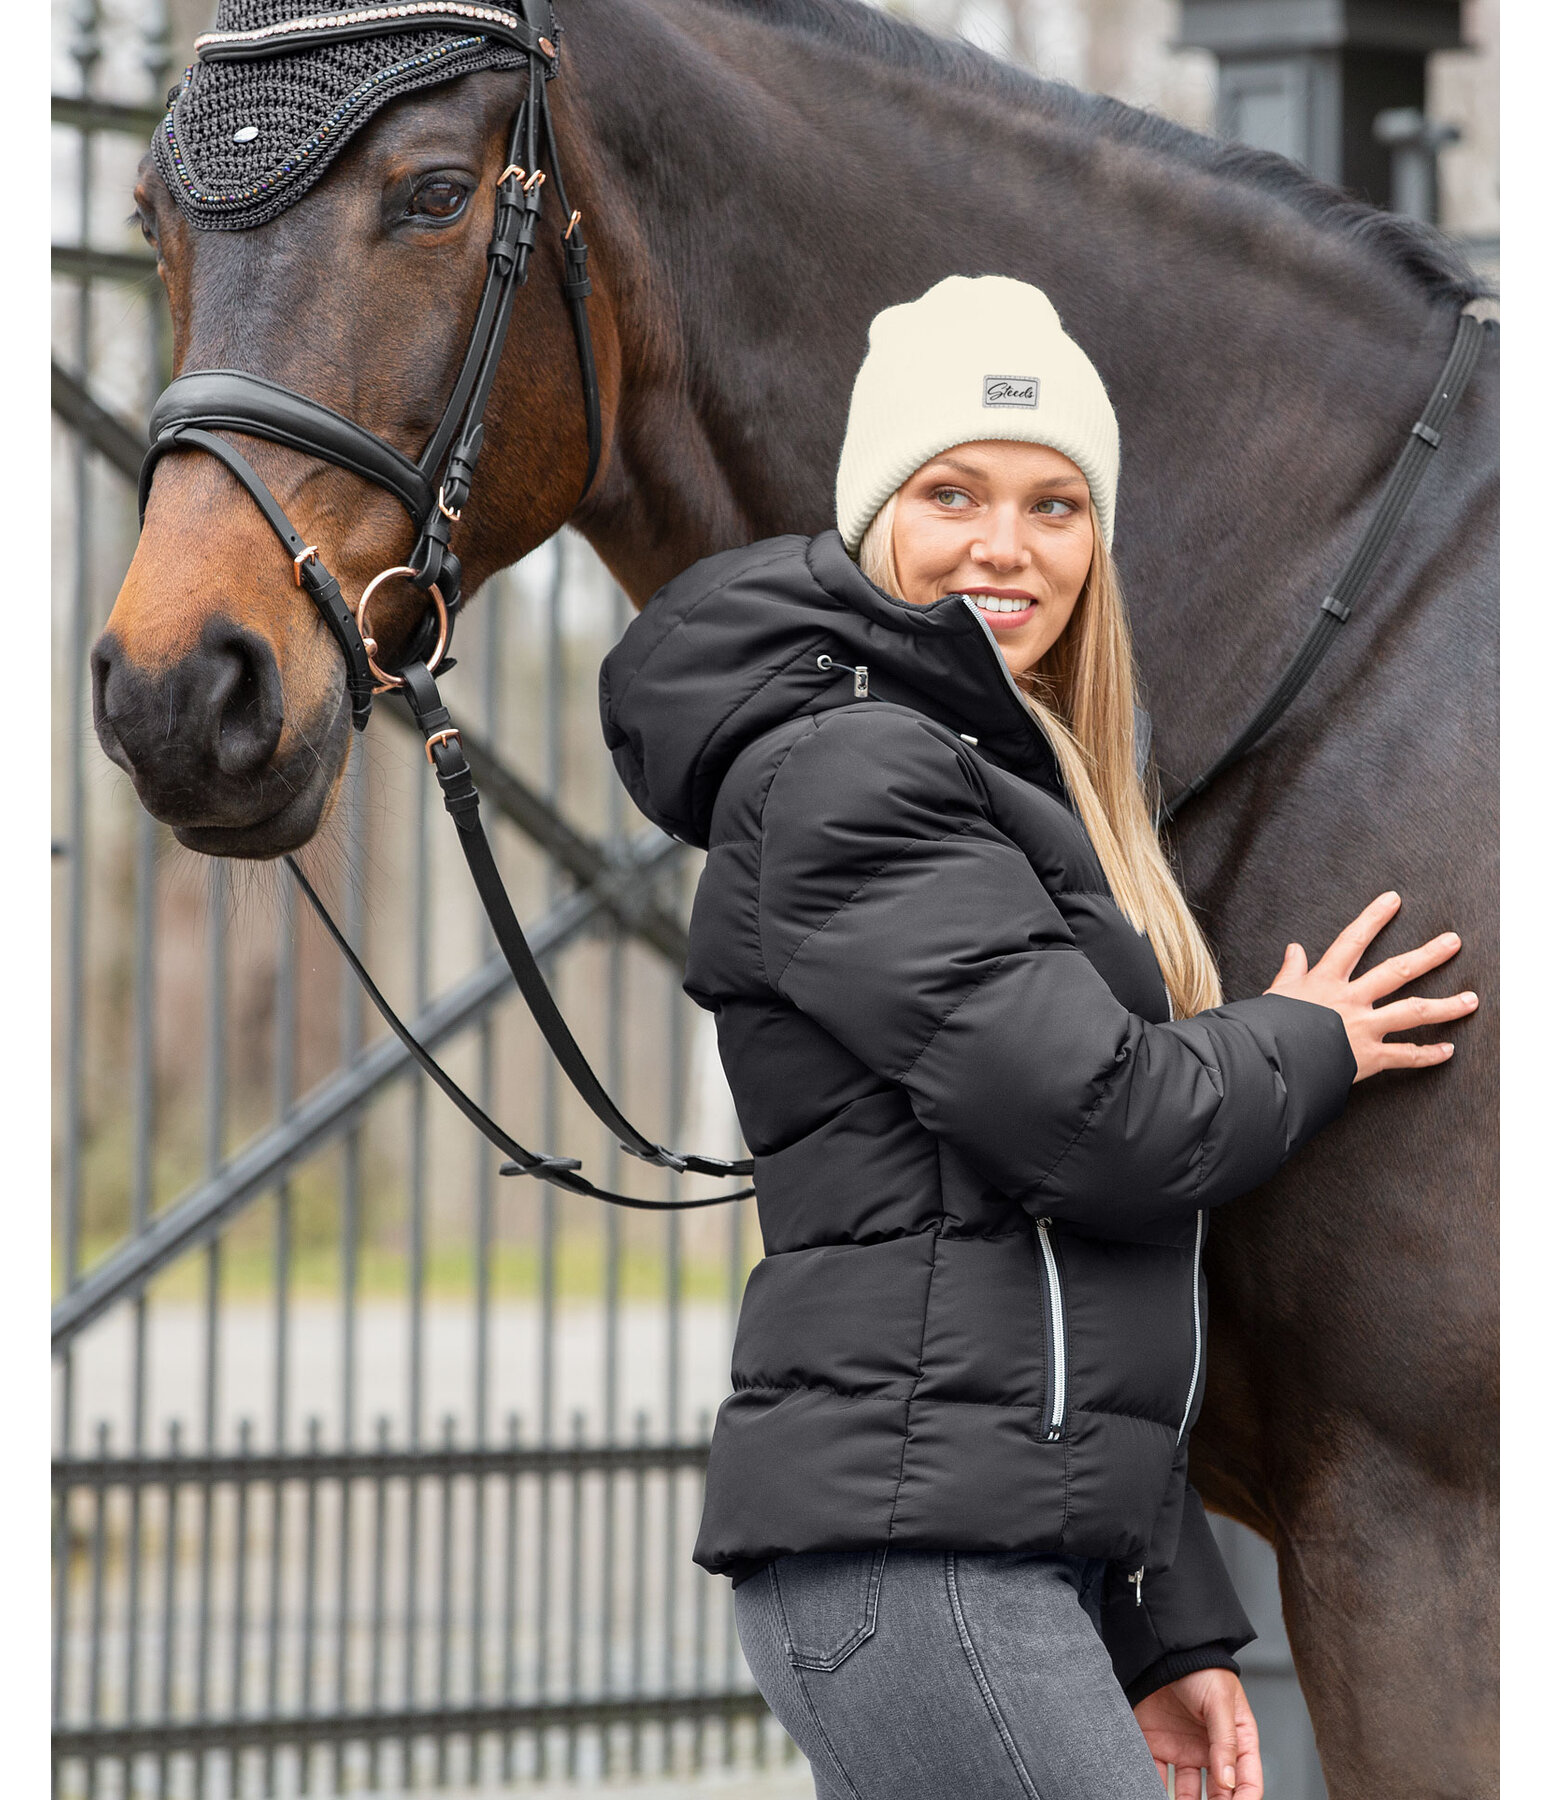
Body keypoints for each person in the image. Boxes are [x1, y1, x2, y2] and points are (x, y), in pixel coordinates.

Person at [598, 276, 1476, 1800]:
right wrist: (1311, 1035)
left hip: (989, 1556)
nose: (1006, 546)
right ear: (876, 514)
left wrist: (1166, 1629)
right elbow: (1110, 1127)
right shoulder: (853, 775)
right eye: (952, 491)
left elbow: (1051, 1292)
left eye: (1054, 503)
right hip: (917, 1564)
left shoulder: (1003, 779)